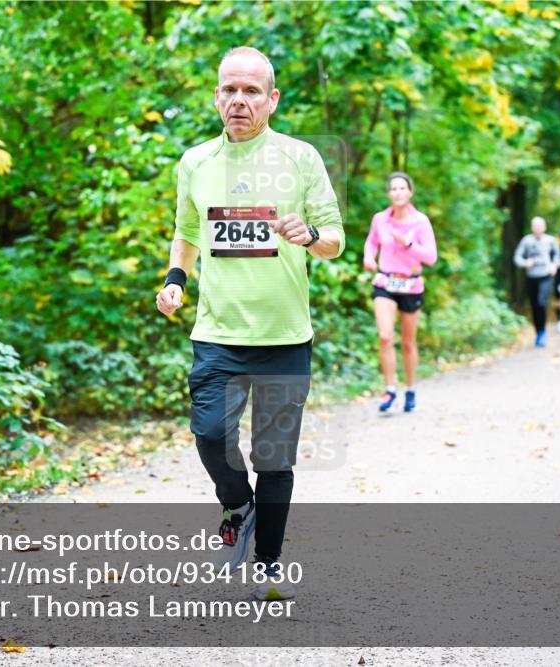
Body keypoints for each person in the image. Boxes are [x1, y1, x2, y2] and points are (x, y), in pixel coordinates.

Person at [155, 46, 344, 601]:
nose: (239, 100)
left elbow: (334, 239)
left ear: (272, 100)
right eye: (230, 90)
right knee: (210, 434)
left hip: (286, 336)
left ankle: (267, 563)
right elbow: (187, 232)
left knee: (274, 458)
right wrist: (174, 280)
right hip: (217, 334)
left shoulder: (300, 158)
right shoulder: (196, 162)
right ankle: (238, 505)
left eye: (252, 91)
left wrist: (308, 235)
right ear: (216, 95)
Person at [362, 172, 437, 413]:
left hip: (411, 284)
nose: (397, 192)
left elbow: (432, 258)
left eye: (402, 188)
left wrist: (408, 244)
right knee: (385, 336)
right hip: (385, 282)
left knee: (407, 342)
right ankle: (390, 389)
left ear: (410, 192)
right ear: (388, 194)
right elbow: (372, 242)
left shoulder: (421, 222)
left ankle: (411, 388)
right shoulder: (380, 219)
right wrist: (368, 257)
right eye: (393, 189)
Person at [513, 216, 560, 347]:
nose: (537, 228)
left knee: (541, 303)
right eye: (535, 226)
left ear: (544, 227)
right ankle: (538, 332)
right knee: (534, 305)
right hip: (531, 277)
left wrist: (554, 265)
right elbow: (517, 257)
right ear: (532, 227)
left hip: (545, 276)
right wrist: (524, 262)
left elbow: (557, 255)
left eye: (540, 226)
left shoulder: (550, 240)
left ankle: (543, 332)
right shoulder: (526, 241)